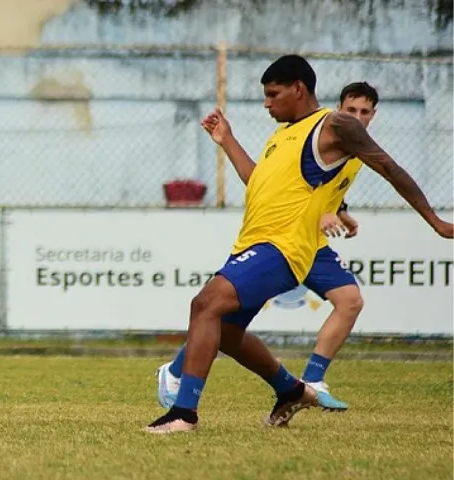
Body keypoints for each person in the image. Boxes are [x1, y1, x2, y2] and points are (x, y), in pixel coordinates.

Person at [145, 55, 453, 434]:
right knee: (225, 332)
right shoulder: (283, 135)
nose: (266, 103)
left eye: (273, 94)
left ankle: (184, 413)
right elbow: (257, 182)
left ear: (298, 89)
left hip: (284, 249)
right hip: (251, 244)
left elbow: (391, 168)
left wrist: (434, 220)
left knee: (205, 305)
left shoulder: (334, 124)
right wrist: (227, 141)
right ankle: (290, 390)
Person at [155, 82, 381, 413]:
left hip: (307, 246)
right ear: (337, 109)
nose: (357, 118)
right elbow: (271, 185)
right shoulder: (314, 135)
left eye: (364, 112)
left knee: (348, 301)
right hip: (282, 243)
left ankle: (307, 383)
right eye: (351, 110)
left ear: (374, 115)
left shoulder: (357, 150)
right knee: (219, 314)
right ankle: (178, 380)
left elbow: (323, 191)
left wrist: (340, 213)